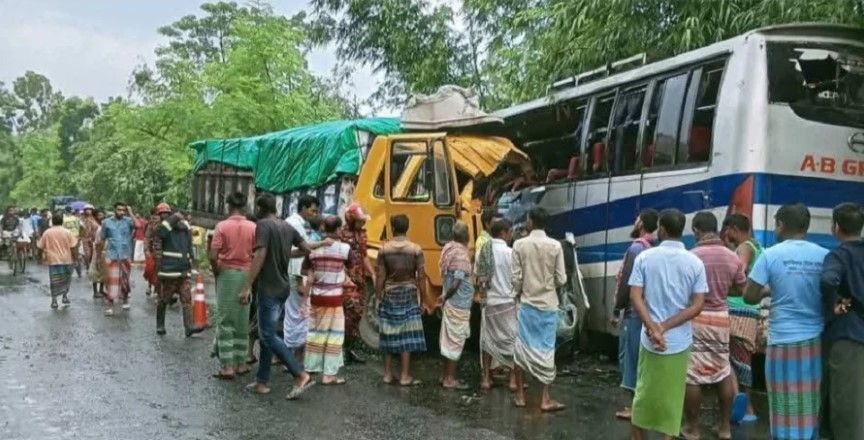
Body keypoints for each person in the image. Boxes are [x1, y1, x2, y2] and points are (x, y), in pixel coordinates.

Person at [743, 203, 828, 440]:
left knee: (782, 399)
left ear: (780, 225)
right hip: (815, 340)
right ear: (806, 226)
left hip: (782, 341)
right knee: (810, 399)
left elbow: (749, 296)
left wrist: (768, 291)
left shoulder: (770, 255)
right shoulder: (824, 255)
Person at [628, 209, 708, 440]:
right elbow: (698, 305)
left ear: (662, 229)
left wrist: (653, 328)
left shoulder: (645, 258)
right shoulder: (695, 263)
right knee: (672, 400)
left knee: (643, 394)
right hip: (679, 342)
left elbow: (635, 297)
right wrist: (664, 327)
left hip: (649, 340)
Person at [242, 193, 330, 399]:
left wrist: (247, 285)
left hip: (269, 287)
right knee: (267, 334)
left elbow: (260, 254)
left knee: (268, 335)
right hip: (283, 287)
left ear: (260, 209)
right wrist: (286, 253)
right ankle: (262, 381)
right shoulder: (287, 226)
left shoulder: (263, 225)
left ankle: (300, 374)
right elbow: (306, 249)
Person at [685, 211, 747, 439]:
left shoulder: (691, 257)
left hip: (696, 317)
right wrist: (722, 292)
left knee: (692, 374)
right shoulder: (732, 257)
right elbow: (741, 288)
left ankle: (692, 429)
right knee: (722, 370)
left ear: (697, 230)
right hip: (721, 319)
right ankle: (725, 428)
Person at [511, 207, 568, 412]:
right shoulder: (555, 246)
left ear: (531, 221)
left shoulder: (519, 245)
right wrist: (548, 285)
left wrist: (519, 291)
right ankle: (545, 399)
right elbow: (562, 279)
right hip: (548, 306)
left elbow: (516, 279)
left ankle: (520, 396)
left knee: (521, 350)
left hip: (526, 305)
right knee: (546, 350)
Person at [820, 203, 864, 440]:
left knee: (845, 406)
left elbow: (828, 280)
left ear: (836, 227)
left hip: (849, 335)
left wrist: (834, 303)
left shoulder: (839, 255)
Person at [610, 208, 658, 420]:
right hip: (650, 311)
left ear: (641, 224)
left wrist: (616, 309)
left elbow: (626, 283)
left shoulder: (636, 249)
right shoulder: (653, 248)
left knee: (629, 358)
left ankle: (634, 407)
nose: (634, 221)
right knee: (643, 357)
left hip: (633, 312)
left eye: (637, 219)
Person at [208, 192, 257, 378]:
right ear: (244, 207)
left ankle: (227, 366)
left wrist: (216, 271)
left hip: (226, 274)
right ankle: (241, 363)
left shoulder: (221, 226)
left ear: (228, 206)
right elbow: (257, 253)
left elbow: (213, 256)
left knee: (225, 320)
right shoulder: (253, 227)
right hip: (247, 275)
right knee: (242, 319)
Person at [376, 214, 426, 386]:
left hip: (390, 294)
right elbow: (421, 277)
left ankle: (388, 374)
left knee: (388, 332)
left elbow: (380, 276)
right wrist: (423, 300)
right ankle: (405, 376)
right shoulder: (416, 249)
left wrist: (378, 297)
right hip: (409, 294)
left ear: (392, 228)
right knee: (406, 334)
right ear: (407, 228)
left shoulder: (384, 250)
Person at [722, 213, 763, 423]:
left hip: (739, 311)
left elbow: (739, 270)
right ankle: (740, 402)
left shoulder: (744, 247)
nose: (726, 234)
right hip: (750, 310)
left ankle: (747, 408)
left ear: (735, 230)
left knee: (736, 359)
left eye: (728, 230)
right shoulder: (757, 246)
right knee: (737, 358)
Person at [303, 215, 353, 385]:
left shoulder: (313, 250)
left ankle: (310, 368)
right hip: (335, 298)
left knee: (315, 333)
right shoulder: (345, 249)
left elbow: (306, 272)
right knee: (335, 335)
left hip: (316, 297)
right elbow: (351, 266)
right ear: (338, 230)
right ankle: (329, 374)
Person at [475, 217, 518, 391]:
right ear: (503, 233)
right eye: (510, 232)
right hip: (507, 303)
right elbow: (516, 279)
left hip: (489, 303)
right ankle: (513, 380)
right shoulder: (510, 253)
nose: (511, 235)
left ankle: (486, 378)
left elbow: (477, 277)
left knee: (487, 340)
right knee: (512, 341)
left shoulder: (482, 251)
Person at [285, 195, 322, 365]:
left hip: (296, 273)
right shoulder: (295, 224)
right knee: (298, 314)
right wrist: (323, 244)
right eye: (312, 210)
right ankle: (294, 358)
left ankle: (291, 356)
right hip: (296, 274)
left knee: (295, 314)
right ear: (304, 208)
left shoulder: (296, 222)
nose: (314, 214)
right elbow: (300, 250)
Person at [437, 221, 474, 390]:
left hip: (451, 303)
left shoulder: (448, 248)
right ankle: (450, 379)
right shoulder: (461, 254)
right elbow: (456, 282)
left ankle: (445, 376)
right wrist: (446, 296)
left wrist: (445, 296)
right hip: (458, 305)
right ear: (466, 236)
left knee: (447, 341)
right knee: (455, 342)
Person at [155, 211, 204, 337]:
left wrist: (192, 263)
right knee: (165, 298)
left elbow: (189, 246)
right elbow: (160, 232)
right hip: (170, 271)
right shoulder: (166, 229)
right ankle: (160, 324)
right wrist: (174, 217)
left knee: (186, 298)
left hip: (184, 270)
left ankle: (189, 326)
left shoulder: (185, 228)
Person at [341, 203, 376, 364]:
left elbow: (364, 255)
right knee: (348, 313)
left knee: (357, 313)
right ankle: (342, 348)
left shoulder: (362, 234)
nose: (362, 224)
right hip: (346, 280)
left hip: (359, 279)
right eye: (360, 221)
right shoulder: (341, 234)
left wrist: (372, 274)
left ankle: (350, 348)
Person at [101, 203, 137, 316]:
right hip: (112, 255)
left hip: (125, 255)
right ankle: (110, 306)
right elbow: (102, 238)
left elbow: (138, 225)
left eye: (123, 210)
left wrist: (130, 212)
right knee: (112, 281)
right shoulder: (106, 222)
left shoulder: (128, 221)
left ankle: (125, 300)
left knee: (125, 279)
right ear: (114, 210)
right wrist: (100, 255)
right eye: (119, 210)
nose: (121, 212)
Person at [37, 214, 78, 309]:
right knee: (66, 279)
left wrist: (39, 258)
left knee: (54, 280)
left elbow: (40, 246)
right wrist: (75, 258)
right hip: (67, 259)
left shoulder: (47, 232)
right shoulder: (67, 232)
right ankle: (64, 296)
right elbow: (73, 247)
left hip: (53, 259)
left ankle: (54, 300)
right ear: (62, 221)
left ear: (52, 221)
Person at [145, 205, 170, 298]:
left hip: (169, 252)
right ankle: (157, 291)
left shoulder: (171, 223)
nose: (165, 215)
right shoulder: (153, 224)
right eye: (163, 213)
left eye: (167, 213)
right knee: (155, 271)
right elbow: (147, 237)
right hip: (157, 251)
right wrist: (146, 250)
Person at [88, 209, 107, 298]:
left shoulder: (104, 225)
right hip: (97, 249)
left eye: (102, 215)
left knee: (103, 271)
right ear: (95, 217)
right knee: (95, 270)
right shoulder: (95, 226)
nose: (101, 217)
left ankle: (101, 290)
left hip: (104, 249)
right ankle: (95, 291)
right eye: (99, 215)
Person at [62, 206, 82, 278]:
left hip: (66, 238)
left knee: (67, 255)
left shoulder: (63, 219)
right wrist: (79, 236)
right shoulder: (76, 219)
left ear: (65, 211)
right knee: (76, 255)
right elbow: (81, 227)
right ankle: (79, 272)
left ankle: (68, 272)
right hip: (75, 237)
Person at [80, 205, 99, 272]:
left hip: (95, 239)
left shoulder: (96, 218)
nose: (88, 211)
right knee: (87, 255)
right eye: (87, 209)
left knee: (94, 255)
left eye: (90, 209)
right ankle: (88, 267)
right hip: (85, 239)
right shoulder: (82, 219)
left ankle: (93, 268)